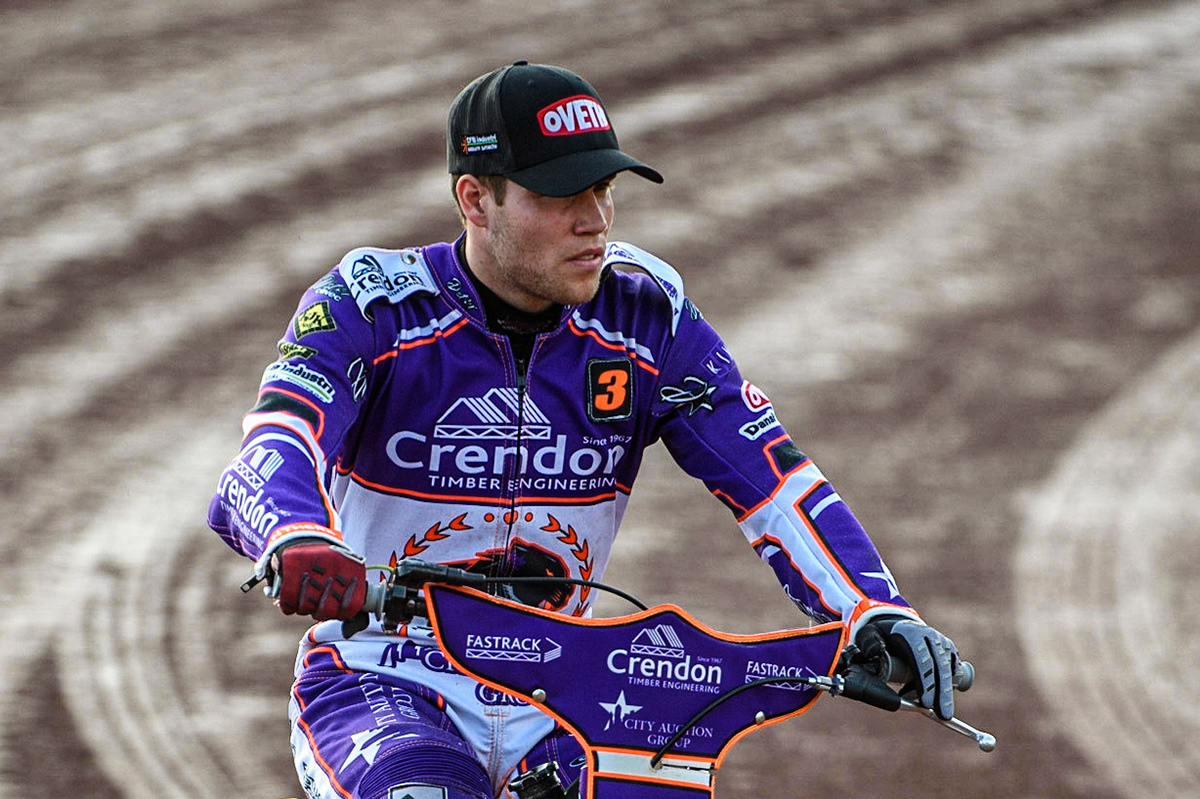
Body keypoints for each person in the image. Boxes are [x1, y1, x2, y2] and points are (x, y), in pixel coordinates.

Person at [208, 60, 962, 799]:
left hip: (572, 688)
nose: (594, 219)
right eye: (561, 193)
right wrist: (296, 534)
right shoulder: (375, 305)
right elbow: (275, 441)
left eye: (602, 188)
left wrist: (871, 606)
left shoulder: (646, 313)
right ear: (476, 200)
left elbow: (770, 473)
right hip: (385, 677)